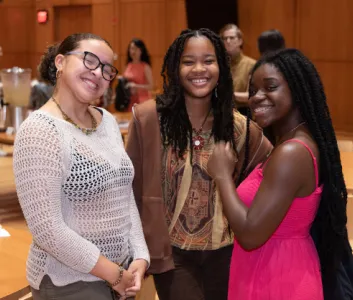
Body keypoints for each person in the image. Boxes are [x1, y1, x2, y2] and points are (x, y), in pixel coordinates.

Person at [208, 48, 353, 300]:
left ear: (297, 90)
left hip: (278, 278)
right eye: (252, 91)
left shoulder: (292, 153)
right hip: (270, 269)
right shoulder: (289, 145)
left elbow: (250, 235)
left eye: (270, 87)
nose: (257, 97)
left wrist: (222, 175)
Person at [125, 28, 271, 300]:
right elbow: (128, 191)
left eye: (209, 60)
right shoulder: (149, 120)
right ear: (175, 67)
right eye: (188, 61)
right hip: (172, 255)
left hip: (228, 253)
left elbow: (271, 177)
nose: (199, 69)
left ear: (221, 67)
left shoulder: (239, 128)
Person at [13, 33, 149, 300]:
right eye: (89, 61)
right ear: (60, 62)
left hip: (120, 273)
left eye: (107, 69)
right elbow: (47, 230)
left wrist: (141, 256)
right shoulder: (39, 131)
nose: (98, 73)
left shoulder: (107, 121)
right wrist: (113, 274)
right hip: (69, 281)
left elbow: (123, 196)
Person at [220, 24, 256, 116]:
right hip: (222, 113)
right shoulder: (219, 65)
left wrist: (229, 94)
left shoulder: (251, 64)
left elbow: (252, 96)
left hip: (243, 114)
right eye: (225, 38)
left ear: (240, 41)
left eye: (232, 38)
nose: (228, 41)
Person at [122, 38, 153, 110]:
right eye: (131, 49)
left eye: (135, 49)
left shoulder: (145, 66)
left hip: (142, 101)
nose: (132, 51)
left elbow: (151, 86)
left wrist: (136, 86)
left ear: (141, 51)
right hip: (129, 100)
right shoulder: (128, 65)